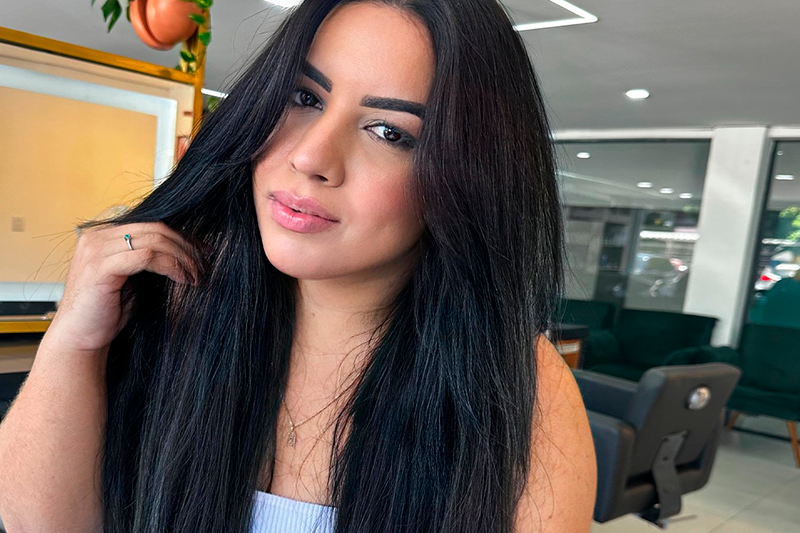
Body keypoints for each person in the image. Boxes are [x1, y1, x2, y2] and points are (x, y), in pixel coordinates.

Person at [0, 0, 596, 531]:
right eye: (305, 98)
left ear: (466, 177)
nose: (310, 156)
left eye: (388, 131)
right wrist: (73, 341)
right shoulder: (174, 305)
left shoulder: (516, 387)